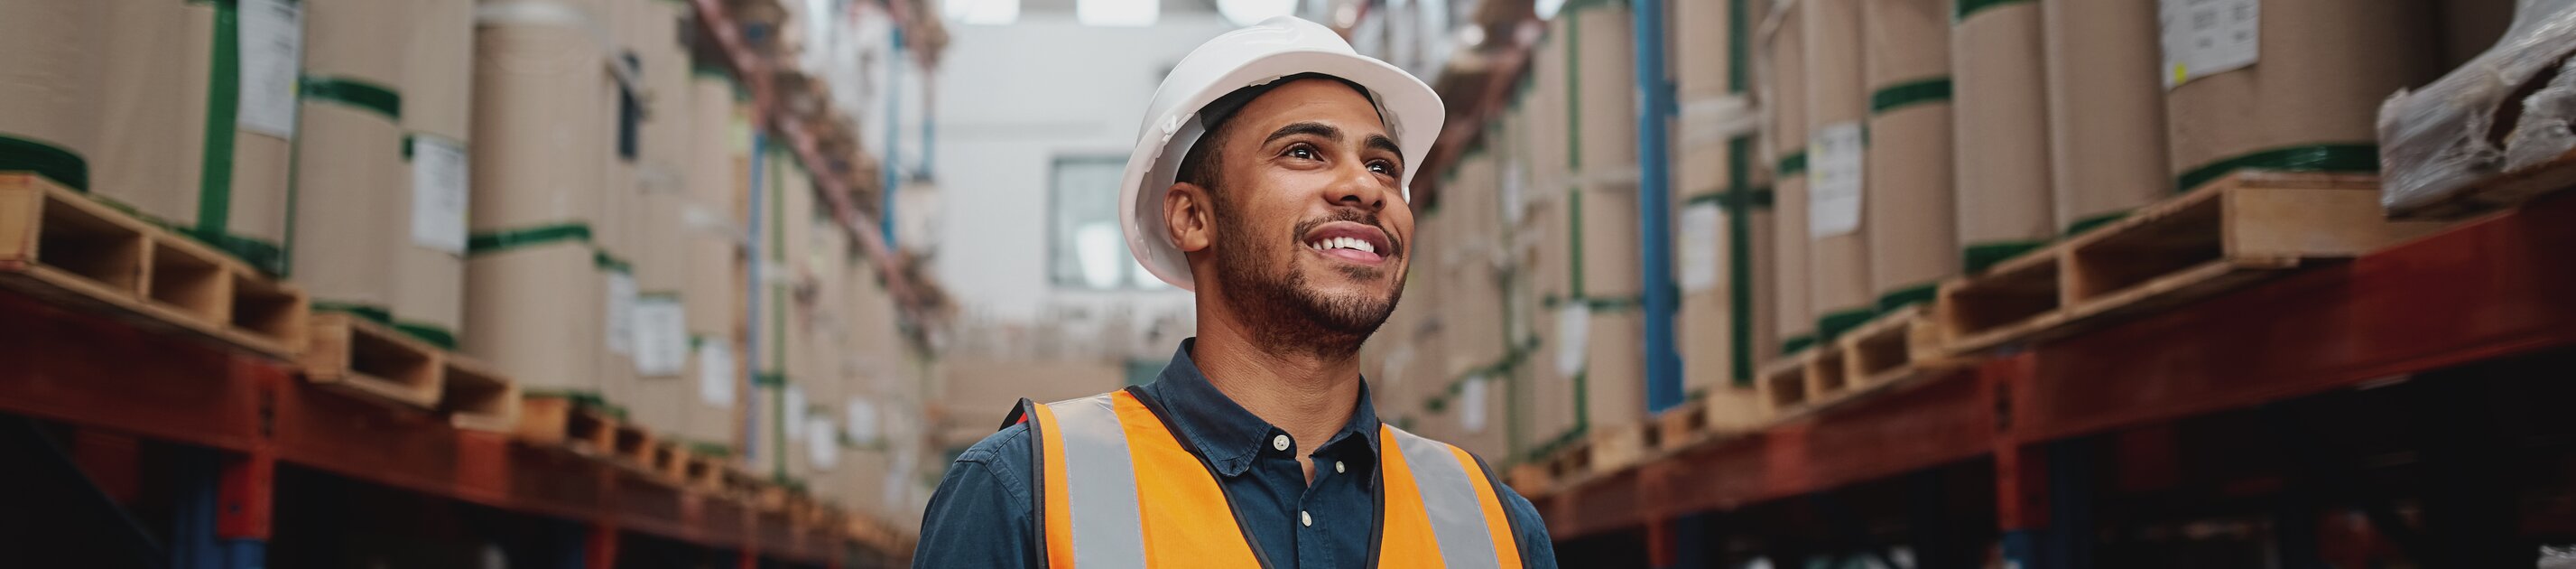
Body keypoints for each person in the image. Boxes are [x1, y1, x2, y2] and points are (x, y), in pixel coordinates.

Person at [913, 15, 1557, 569]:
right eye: (1305, 152)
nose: (1365, 187)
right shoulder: (1024, 491)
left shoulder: (1495, 526)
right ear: (1193, 218)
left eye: (1383, 165)